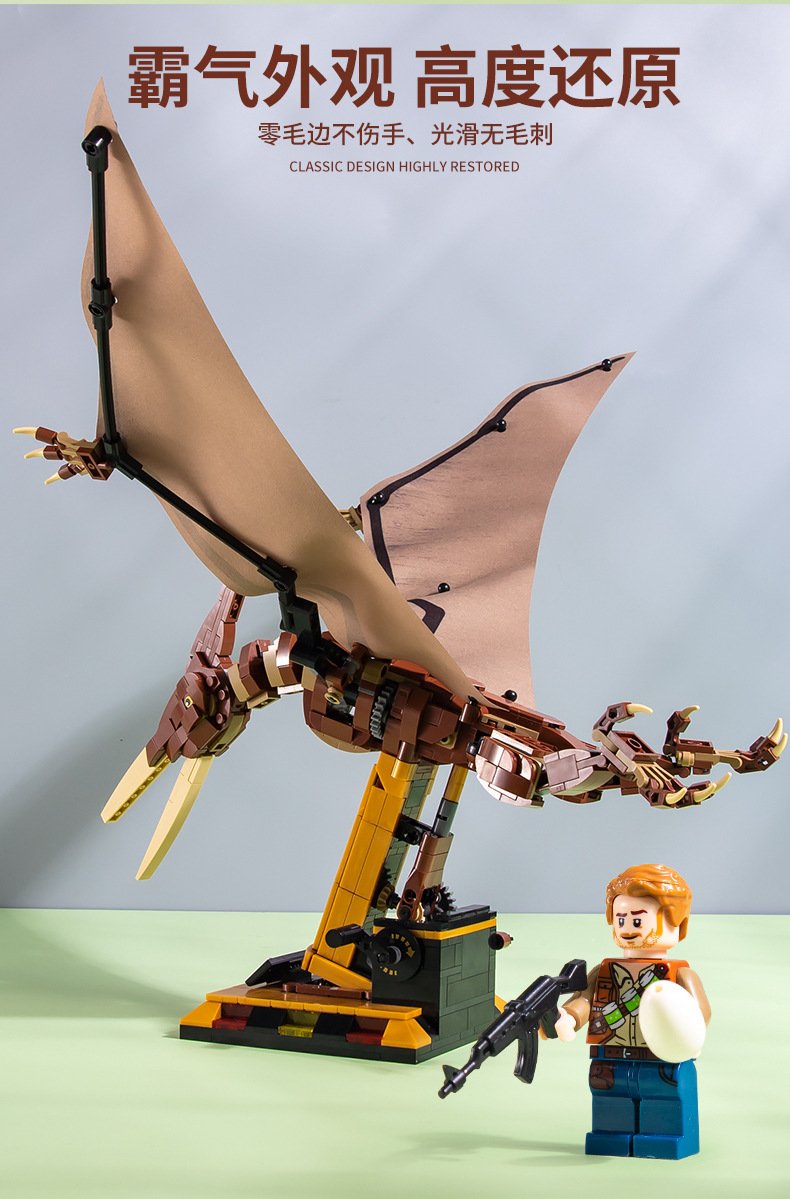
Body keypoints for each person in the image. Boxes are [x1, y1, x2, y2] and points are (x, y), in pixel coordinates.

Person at [554, 863, 710, 1159]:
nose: (627, 929)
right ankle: (611, 1137)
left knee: (663, 1097)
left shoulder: (679, 975)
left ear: (678, 924)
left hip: (661, 1056)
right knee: (610, 1098)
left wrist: (691, 1034)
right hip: (610, 1055)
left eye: (637, 921)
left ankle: (663, 1138)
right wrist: (569, 1017)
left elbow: (700, 1010)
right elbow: (584, 1000)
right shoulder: (605, 972)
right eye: (621, 919)